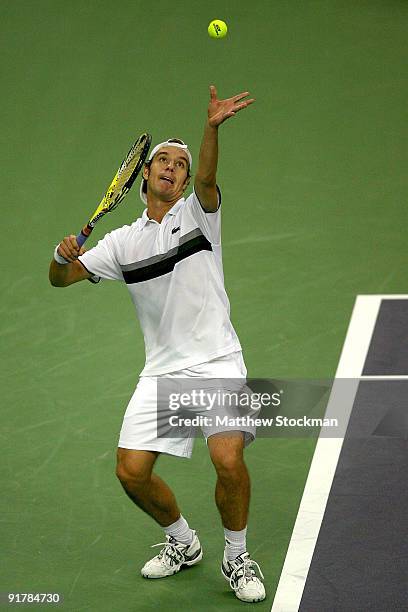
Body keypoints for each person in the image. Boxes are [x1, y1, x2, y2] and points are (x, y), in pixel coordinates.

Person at [49, 85, 265, 603]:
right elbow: (63, 279)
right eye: (161, 161)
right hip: (164, 370)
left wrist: (210, 129)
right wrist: (60, 257)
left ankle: (237, 555)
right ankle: (183, 542)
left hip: (217, 359)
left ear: (187, 180)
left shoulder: (200, 216)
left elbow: (211, 178)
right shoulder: (122, 243)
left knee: (229, 460)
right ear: (143, 174)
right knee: (130, 471)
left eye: (180, 165)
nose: (171, 168)